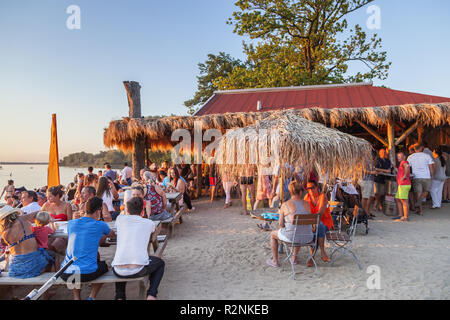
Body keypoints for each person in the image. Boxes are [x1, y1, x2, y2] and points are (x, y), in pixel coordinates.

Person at [60, 197, 115, 300]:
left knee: (76, 267)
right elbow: (112, 234)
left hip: (65, 272)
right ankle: (91, 297)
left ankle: (77, 297)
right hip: (86, 273)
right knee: (105, 267)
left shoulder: (71, 223)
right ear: (98, 211)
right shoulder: (100, 225)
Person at [112, 197, 165, 300]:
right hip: (138, 269)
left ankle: (120, 296)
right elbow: (154, 229)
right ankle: (151, 295)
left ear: (127, 210)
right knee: (160, 263)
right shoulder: (148, 223)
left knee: (120, 260)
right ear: (142, 211)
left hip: (117, 270)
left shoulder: (119, 219)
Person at [266, 181, 314, 268]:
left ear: (291, 192)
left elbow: (281, 224)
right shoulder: (307, 204)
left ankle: (275, 261)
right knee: (298, 229)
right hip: (308, 237)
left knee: (273, 234)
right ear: (300, 192)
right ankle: (294, 258)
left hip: (293, 237)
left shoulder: (285, 205)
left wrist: (283, 227)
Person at [0, 205, 53, 279]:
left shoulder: (3, 231)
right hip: (33, 265)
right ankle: (49, 284)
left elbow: (4, 243)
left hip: (15, 269)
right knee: (51, 255)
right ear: (13, 213)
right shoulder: (21, 219)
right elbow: (38, 212)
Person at [303, 180, 332, 264]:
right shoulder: (306, 197)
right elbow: (305, 213)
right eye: (308, 188)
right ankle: (318, 254)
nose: (310, 190)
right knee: (317, 228)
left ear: (317, 187)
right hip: (312, 223)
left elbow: (320, 214)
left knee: (320, 226)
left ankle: (315, 254)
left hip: (325, 222)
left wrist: (313, 223)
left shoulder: (323, 197)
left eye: (312, 187)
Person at [407, 143, 435, 215]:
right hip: (426, 176)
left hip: (416, 177)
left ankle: (420, 210)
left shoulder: (410, 157)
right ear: (421, 148)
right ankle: (419, 207)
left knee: (418, 194)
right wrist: (432, 175)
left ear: (415, 149)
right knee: (426, 192)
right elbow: (431, 167)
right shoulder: (427, 156)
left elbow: (407, 168)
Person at [393, 152, 411, 222]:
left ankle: (406, 217)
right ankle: (401, 215)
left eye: (400, 156)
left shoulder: (403, 162)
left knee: (404, 201)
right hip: (402, 185)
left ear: (404, 157)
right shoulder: (401, 163)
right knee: (397, 199)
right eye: (398, 156)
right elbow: (401, 171)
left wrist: (404, 176)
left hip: (404, 184)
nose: (398, 158)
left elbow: (407, 166)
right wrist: (395, 168)